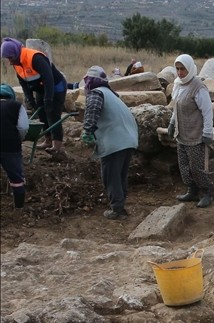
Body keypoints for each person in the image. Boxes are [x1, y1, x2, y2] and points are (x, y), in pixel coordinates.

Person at [79, 66, 139, 220]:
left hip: (115, 142)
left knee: (111, 176)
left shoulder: (96, 93)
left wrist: (87, 131)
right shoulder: (112, 95)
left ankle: (117, 210)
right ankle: (120, 205)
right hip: (129, 140)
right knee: (120, 175)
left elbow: (92, 110)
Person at [1, 37, 68, 159]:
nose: (10, 62)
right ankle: (47, 140)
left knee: (52, 113)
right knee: (41, 113)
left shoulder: (35, 58)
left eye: (10, 58)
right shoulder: (17, 62)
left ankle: (57, 145)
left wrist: (48, 99)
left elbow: (49, 79)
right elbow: (23, 82)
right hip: (40, 88)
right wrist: (30, 99)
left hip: (55, 86)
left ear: (15, 53)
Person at [167, 54, 214, 208]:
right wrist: (172, 123)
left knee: (197, 166)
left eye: (183, 69)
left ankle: (207, 192)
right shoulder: (178, 85)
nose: (180, 72)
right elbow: (177, 107)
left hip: (195, 134)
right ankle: (192, 190)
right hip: (181, 134)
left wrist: (207, 133)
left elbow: (207, 112)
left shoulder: (198, 87)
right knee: (184, 165)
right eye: (178, 69)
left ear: (190, 69)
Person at [0, 83, 28, 209]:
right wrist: (18, 139)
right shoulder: (16, 106)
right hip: (10, 146)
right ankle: (19, 208)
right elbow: (23, 127)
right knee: (16, 177)